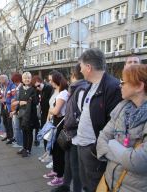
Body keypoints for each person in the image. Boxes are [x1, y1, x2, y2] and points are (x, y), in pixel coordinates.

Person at [72, 48, 122, 192]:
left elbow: (112, 124)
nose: (80, 70)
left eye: (81, 66)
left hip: (93, 149)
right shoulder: (91, 86)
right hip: (82, 145)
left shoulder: (112, 87)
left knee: (96, 186)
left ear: (88, 67)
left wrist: (95, 148)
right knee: (86, 185)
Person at [96, 65, 147, 192]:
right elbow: (101, 139)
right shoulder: (122, 108)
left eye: (123, 82)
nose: (120, 85)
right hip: (109, 183)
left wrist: (112, 144)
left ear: (139, 86)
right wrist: (126, 156)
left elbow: (139, 162)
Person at [51, 64, 89, 192]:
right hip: (70, 131)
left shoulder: (81, 89)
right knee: (68, 162)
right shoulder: (75, 89)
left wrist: (70, 125)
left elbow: (81, 114)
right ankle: (65, 186)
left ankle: (75, 189)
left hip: (75, 134)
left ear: (73, 75)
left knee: (75, 166)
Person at [43, 70, 69, 186]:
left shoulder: (63, 93)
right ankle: (56, 170)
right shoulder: (57, 91)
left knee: (58, 150)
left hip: (60, 123)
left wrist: (50, 111)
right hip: (55, 122)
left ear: (56, 79)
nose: (50, 82)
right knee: (54, 148)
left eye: (51, 80)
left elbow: (56, 111)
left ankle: (60, 176)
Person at [17, 72, 39, 157]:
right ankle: (24, 147)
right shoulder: (21, 89)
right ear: (22, 80)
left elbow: (35, 101)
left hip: (30, 115)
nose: (27, 80)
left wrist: (26, 102)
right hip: (22, 114)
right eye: (25, 78)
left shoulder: (34, 89)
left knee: (29, 132)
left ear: (31, 79)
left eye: (28, 78)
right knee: (24, 132)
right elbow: (19, 100)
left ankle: (28, 150)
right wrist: (17, 108)